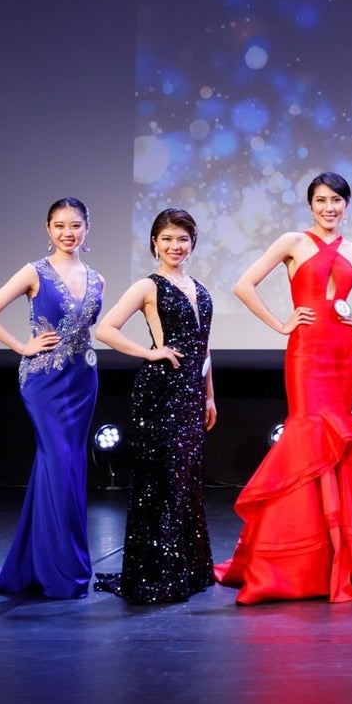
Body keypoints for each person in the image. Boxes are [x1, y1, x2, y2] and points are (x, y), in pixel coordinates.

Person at [215, 173, 352, 604]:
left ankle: (343, 554)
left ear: (347, 205)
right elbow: (243, 285)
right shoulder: (293, 242)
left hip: (343, 351)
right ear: (310, 205)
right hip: (306, 349)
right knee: (307, 431)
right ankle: (298, 561)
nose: (328, 207)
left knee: (340, 435)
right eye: (320, 200)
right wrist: (281, 324)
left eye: (336, 200)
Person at [0, 197, 104, 599]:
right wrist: (21, 346)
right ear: (48, 229)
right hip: (44, 381)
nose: (68, 232)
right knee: (60, 462)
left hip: (83, 381)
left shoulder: (98, 279)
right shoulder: (34, 271)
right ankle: (61, 569)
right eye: (60, 225)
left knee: (67, 467)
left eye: (75, 225)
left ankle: (46, 561)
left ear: (87, 228)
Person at [91, 207, 218, 605]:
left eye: (182, 239)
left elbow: (204, 347)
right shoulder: (148, 285)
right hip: (160, 393)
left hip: (192, 394)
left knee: (186, 480)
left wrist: (210, 395)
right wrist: (150, 353)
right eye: (167, 239)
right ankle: (158, 573)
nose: (175, 246)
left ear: (192, 243)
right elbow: (105, 328)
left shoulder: (197, 287)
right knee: (161, 482)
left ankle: (187, 570)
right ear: (154, 243)